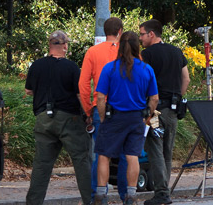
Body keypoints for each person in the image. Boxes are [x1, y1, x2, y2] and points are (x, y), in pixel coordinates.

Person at [25, 31, 92, 205]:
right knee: (81, 160)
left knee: (41, 164)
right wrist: (88, 114)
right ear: (64, 46)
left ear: (49, 45)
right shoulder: (71, 67)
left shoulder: (36, 66)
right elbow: (80, 94)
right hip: (69, 119)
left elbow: (29, 91)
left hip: (43, 119)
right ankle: (90, 200)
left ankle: (33, 202)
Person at [94, 31, 159, 205]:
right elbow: (154, 98)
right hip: (136, 119)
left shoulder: (110, 68)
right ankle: (131, 195)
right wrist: (147, 115)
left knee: (104, 155)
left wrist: (102, 118)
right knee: (132, 156)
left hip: (114, 117)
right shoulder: (147, 69)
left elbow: (100, 97)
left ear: (120, 46)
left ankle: (101, 194)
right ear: (138, 46)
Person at [139, 19, 190, 205]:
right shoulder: (176, 52)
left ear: (151, 34)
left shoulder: (147, 54)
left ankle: (161, 193)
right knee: (167, 152)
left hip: (156, 110)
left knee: (155, 150)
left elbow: (142, 81)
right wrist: (177, 96)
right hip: (173, 110)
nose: (140, 39)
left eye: (142, 34)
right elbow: (187, 78)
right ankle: (164, 190)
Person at [79, 17, 129, 202]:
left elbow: (83, 84)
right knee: (126, 155)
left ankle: (98, 195)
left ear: (104, 31)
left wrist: (88, 110)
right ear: (120, 32)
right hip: (125, 108)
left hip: (101, 107)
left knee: (101, 154)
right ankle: (126, 195)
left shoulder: (92, 52)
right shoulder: (128, 53)